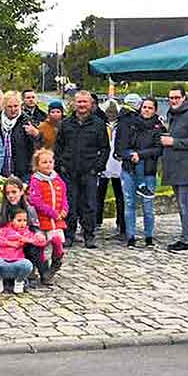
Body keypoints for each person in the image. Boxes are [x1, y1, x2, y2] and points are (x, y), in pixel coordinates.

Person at [53, 90, 108, 249]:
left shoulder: (98, 124)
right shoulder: (66, 123)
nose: (82, 105)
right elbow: (59, 147)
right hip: (68, 172)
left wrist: (97, 167)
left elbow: (105, 148)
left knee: (90, 205)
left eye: (85, 102)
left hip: (89, 171)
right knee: (70, 205)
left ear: (91, 104)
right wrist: (60, 166)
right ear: (74, 104)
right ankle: (69, 235)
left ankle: (89, 236)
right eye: (79, 102)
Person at [116, 96, 164, 248]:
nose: (147, 110)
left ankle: (148, 237)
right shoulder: (130, 124)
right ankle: (131, 236)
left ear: (155, 110)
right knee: (129, 203)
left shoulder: (158, 127)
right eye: (144, 107)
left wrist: (140, 155)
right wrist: (131, 155)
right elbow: (120, 148)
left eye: (150, 108)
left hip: (148, 171)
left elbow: (158, 149)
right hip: (129, 169)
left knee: (148, 206)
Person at [161, 85, 188, 253]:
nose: (174, 101)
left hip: (186, 168)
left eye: (177, 98)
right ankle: (184, 236)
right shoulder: (172, 114)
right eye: (171, 98)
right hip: (174, 166)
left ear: (184, 98)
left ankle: (186, 240)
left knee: (185, 205)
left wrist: (174, 142)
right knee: (180, 205)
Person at [0, 176, 42, 282]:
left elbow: (35, 228)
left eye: (14, 192)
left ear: (21, 192)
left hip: (22, 241)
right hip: (5, 241)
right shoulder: (1, 209)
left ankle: (27, 273)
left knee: (35, 245)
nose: (11, 196)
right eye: (8, 193)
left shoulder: (29, 209)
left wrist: (37, 234)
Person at [28, 149, 67, 284]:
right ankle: (43, 270)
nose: (48, 165)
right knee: (41, 245)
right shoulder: (36, 180)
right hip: (42, 220)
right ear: (37, 165)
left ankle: (56, 263)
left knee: (57, 241)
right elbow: (36, 201)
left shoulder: (58, 179)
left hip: (56, 221)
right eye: (44, 162)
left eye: (50, 162)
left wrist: (64, 209)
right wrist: (52, 213)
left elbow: (64, 197)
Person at [0, 207, 47, 294]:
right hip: (2, 263)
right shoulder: (5, 230)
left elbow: (42, 243)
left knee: (27, 265)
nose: (22, 223)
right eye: (19, 220)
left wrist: (28, 240)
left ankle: (19, 281)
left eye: (25, 220)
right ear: (11, 221)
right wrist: (10, 243)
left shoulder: (27, 232)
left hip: (17, 264)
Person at [0, 91, 42, 179]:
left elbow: (42, 145)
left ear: (20, 105)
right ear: (4, 107)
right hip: (0, 173)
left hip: (23, 173)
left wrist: (36, 134)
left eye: (16, 106)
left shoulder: (27, 121)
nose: (13, 109)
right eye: (9, 106)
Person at [97, 99, 125, 239]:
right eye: (109, 111)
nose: (111, 114)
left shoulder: (121, 125)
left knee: (120, 194)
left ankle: (121, 221)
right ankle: (97, 220)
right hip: (103, 162)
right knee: (99, 194)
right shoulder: (101, 124)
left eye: (114, 111)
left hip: (118, 163)